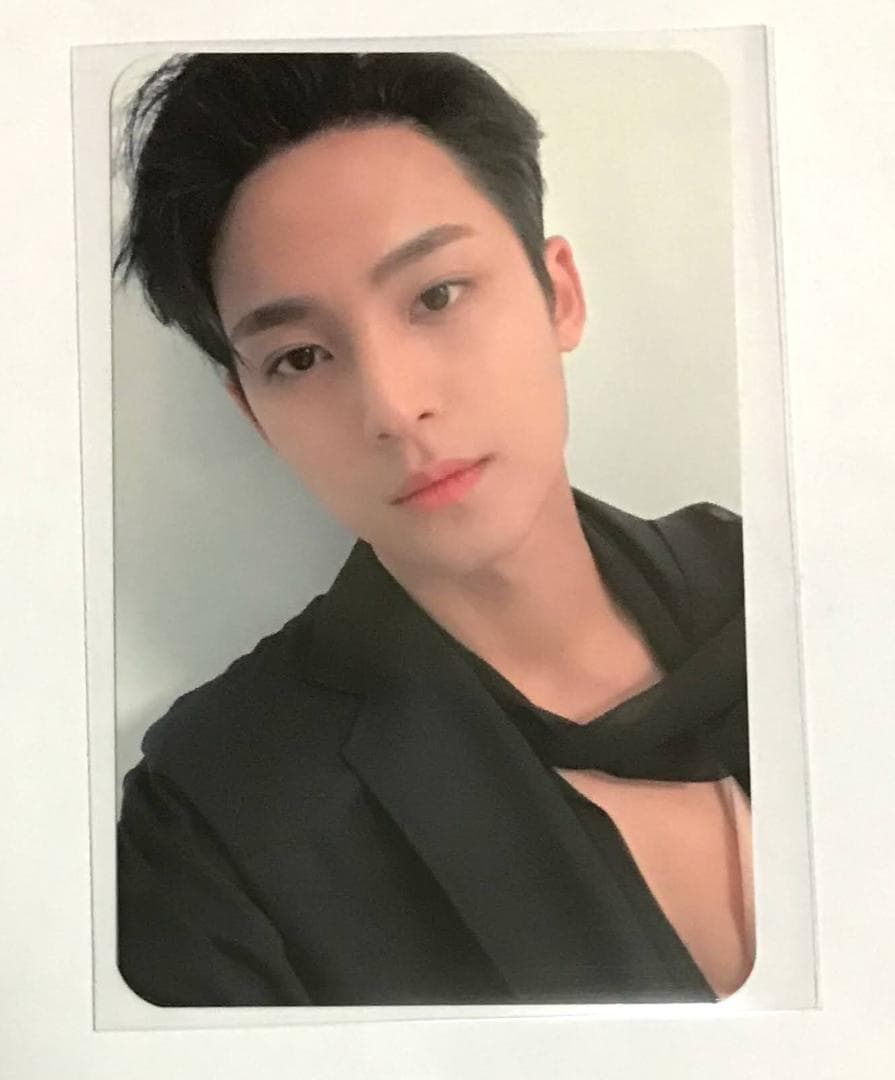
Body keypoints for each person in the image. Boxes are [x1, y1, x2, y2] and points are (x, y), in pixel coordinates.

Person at [114, 51, 752, 1008]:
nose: (392, 405)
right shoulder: (215, 817)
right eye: (299, 358)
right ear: (253, 413)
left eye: (436, 295)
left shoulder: (788, 592)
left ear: (559, 293)